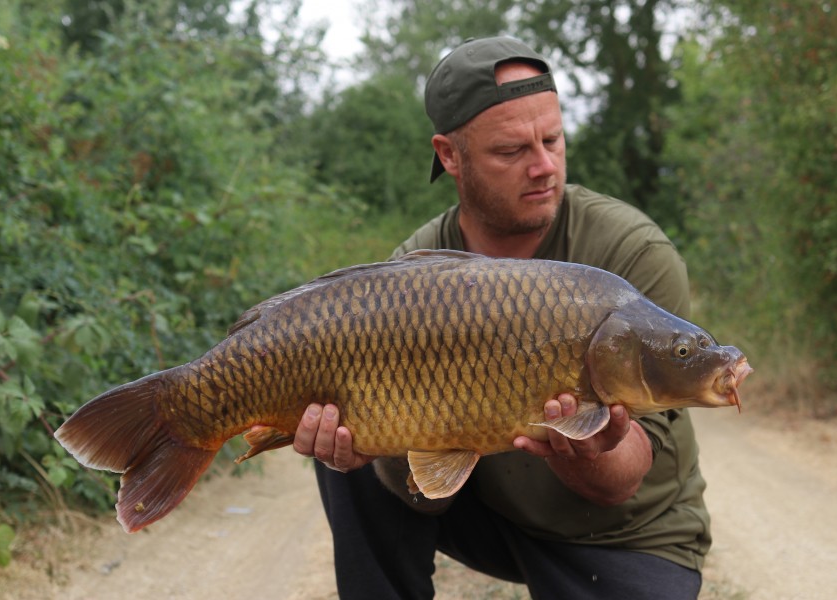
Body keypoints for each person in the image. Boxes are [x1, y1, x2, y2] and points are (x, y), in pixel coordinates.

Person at [293, 36, 709, 600]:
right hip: (487, 514)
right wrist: (374, 448)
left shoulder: (632, 253)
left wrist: (589, 446)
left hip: (621, 535)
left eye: (553, 140)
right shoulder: (411, 276)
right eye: (511, 151)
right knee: (346, 426)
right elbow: (424, 492)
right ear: (449, 155)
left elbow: (624, 481)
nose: (543, 167)